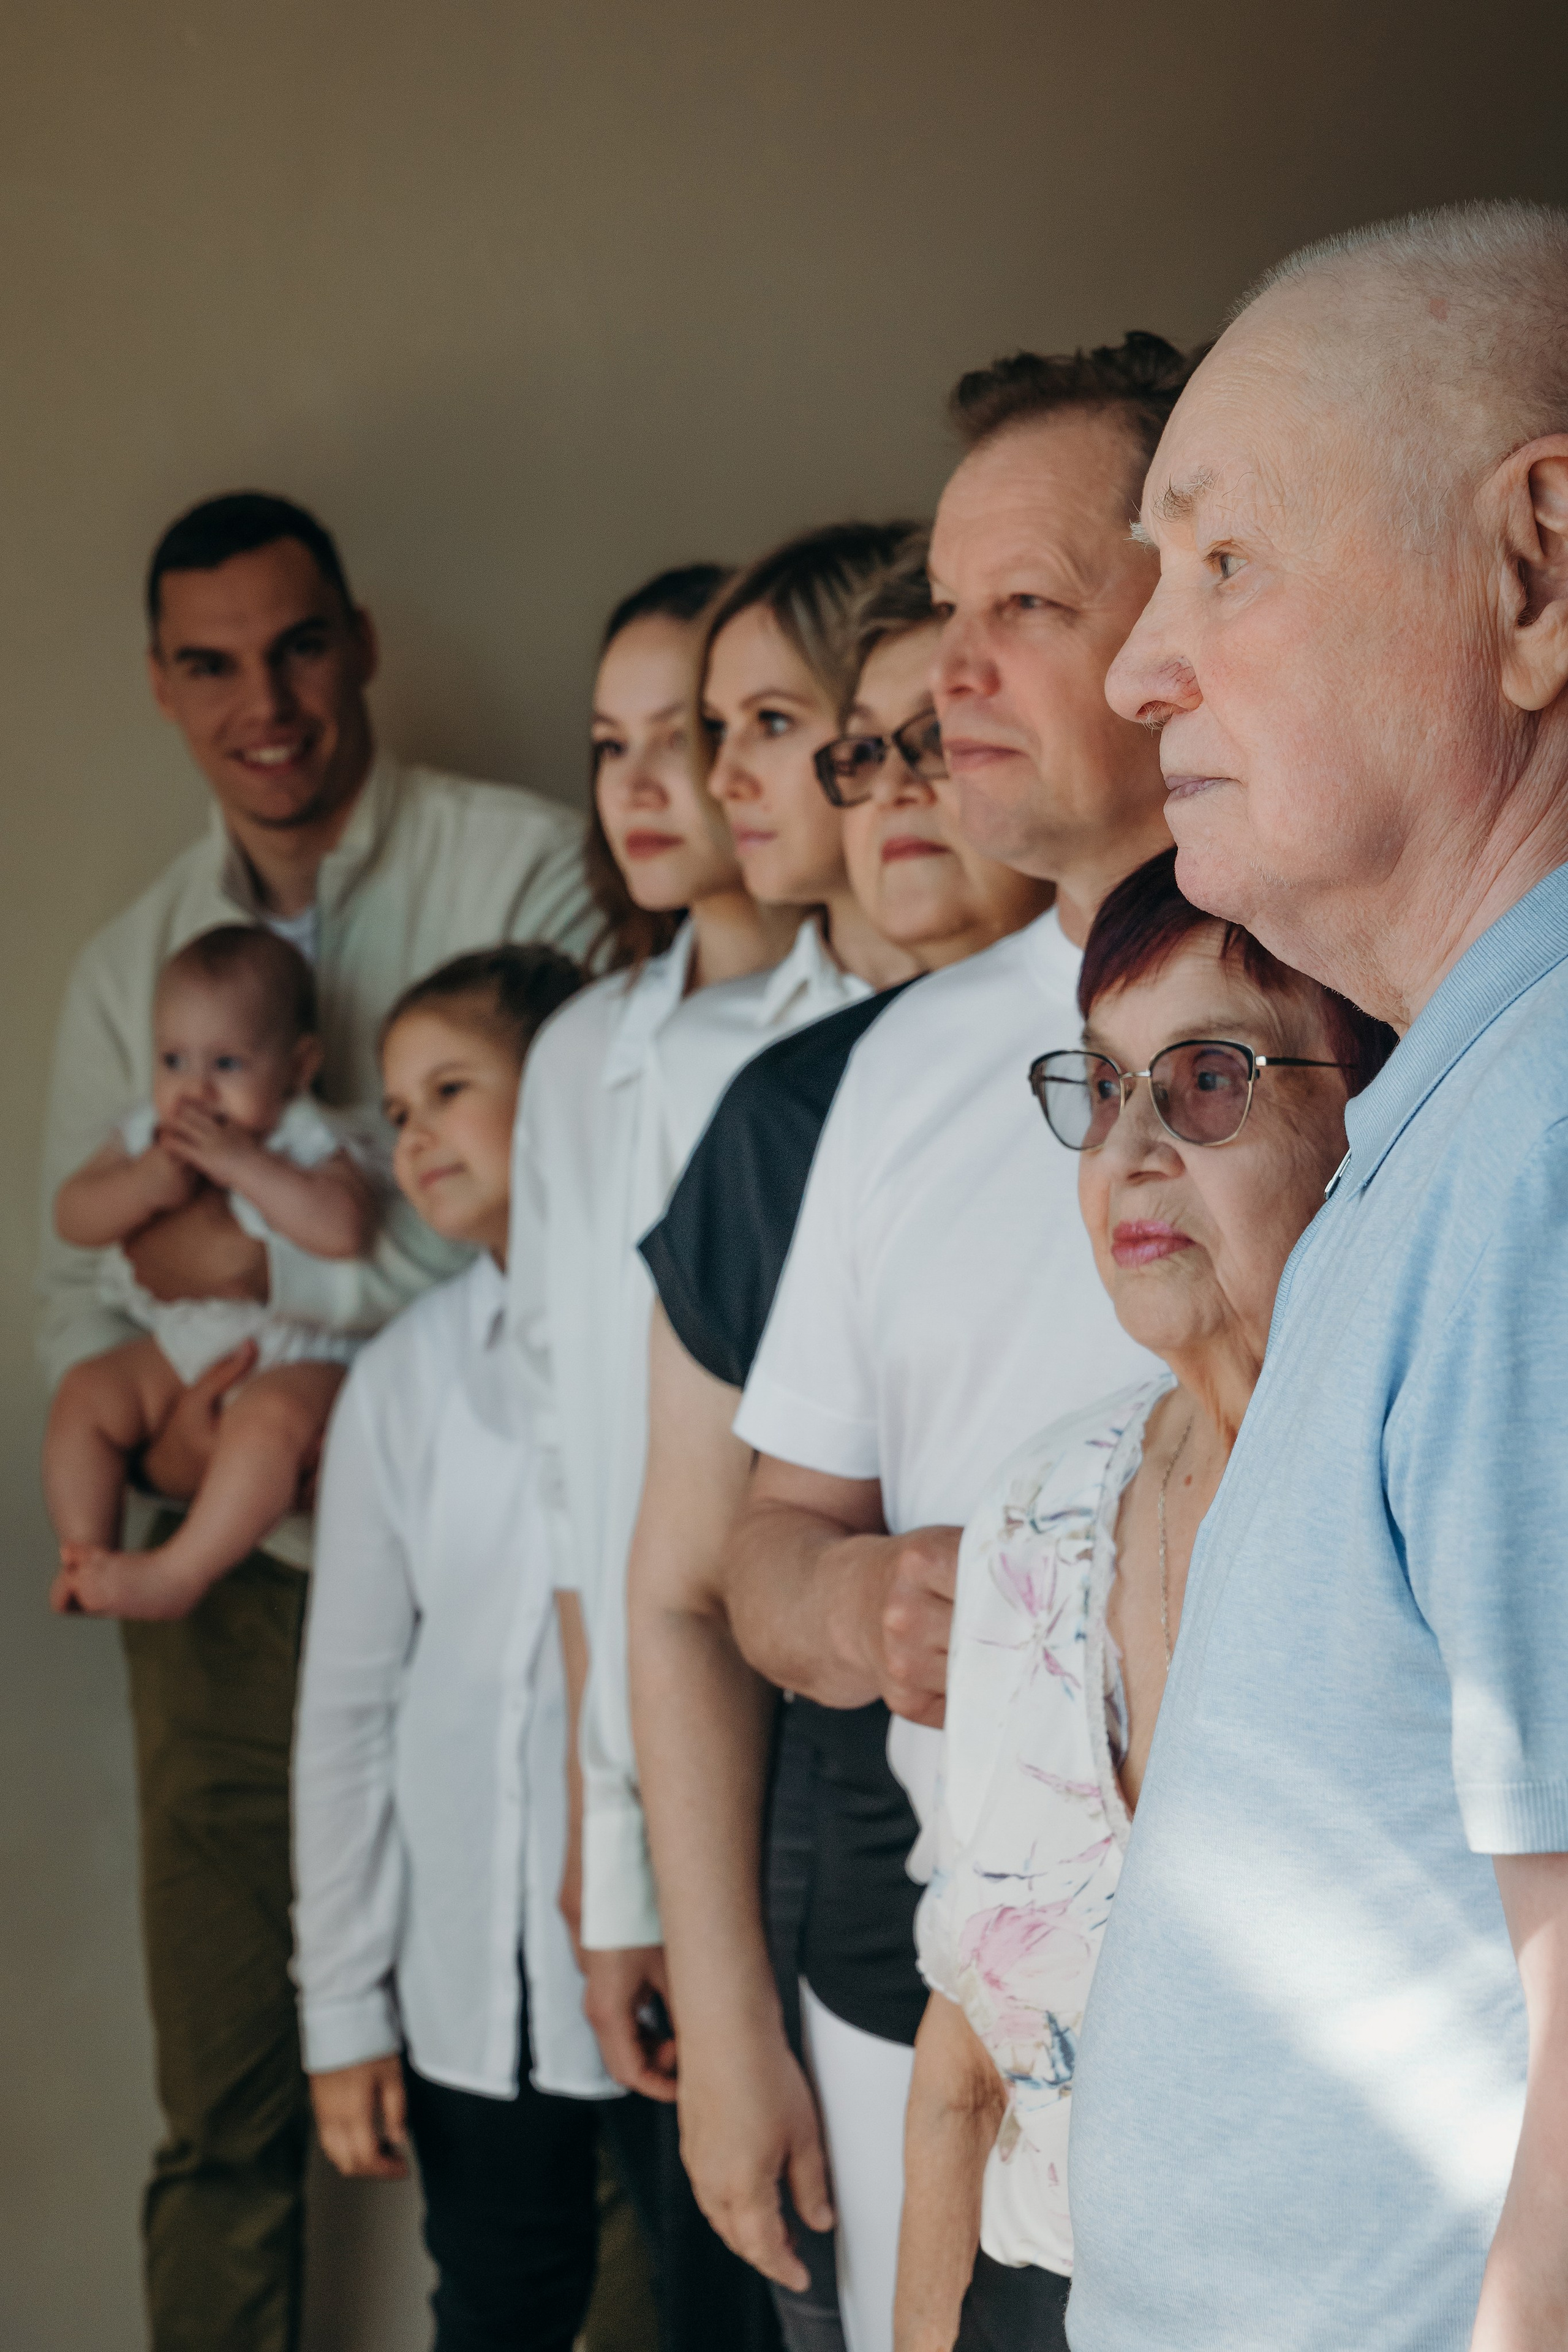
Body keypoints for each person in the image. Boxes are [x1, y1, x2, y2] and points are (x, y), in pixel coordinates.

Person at [1063, 200, 1568, 2352]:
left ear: (1535, 575)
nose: (1135, 665)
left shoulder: (1546, 1143)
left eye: (1223, 558)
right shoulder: (1466, 1115)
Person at [36, 489, 593, 2352]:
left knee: (579, 2068)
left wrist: (234, 1262)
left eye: (293, 647)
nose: (261, 703)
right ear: (161, 683)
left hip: (488, 1569)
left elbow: (559, 1216)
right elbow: (71, 1295)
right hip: (230, 1587)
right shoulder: (126, 965)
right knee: (228, 2107)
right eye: (210, 664)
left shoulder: (525, 871)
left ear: (356, 643)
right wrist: (200, 1439)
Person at [717, 336, 1195, 2352]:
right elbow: (760, 1548)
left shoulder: (1369, 1022)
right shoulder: (899, 1071)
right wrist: (858, 1606)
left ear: (1184, 623)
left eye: (1027, 607)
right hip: (979, 2054)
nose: (950, 675)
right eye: (942, 607)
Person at [629, 546, 1050, 2352]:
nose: (896, 788)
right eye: (859, 752)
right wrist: (727, 2011)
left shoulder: (1196, 1037)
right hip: (871, 1879)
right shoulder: (796, 1110)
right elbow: (685, 1583)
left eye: (927, 739)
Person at [896, 851, 1393, 2351]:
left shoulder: (1423, 1506)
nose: (1126, 1150)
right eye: (1102, 1085)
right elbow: (960, 2055)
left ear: (1365, 1111)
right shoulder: (1036, 1515)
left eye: (1204, 1082)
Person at [509, 531, 917, 2352]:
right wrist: (615, 1857)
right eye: (630, 743)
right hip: (741, 1771)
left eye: (744, 725)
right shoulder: (720, 1095)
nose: (689, 780)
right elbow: (607, 1507)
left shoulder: (938, 1037)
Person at [293, 944, 624, 2352]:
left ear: (564, 1089)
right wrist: (342, 2012)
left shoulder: (665, 1332)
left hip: (657, 1959)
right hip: (468, 1988)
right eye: (394, 1109)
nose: (412, 1133)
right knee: (494, 2315)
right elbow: (348, 1710)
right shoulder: (403, 1379)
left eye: (449, 1090)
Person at [45, 925, 377, 1619]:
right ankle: (88, 1555)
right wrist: (140, 1186)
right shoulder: (147, 1133)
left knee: (268, 1421)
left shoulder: (307, 1133)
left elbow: (344, 1229)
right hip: (187, 1342)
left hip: (300, 1352)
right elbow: (71, 1215)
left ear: (298, 1066)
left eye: (227, 1063)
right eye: (173, 1060)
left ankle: (179, 1574)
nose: (195, 1089)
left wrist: (245, 1165)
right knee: (86, 1394)